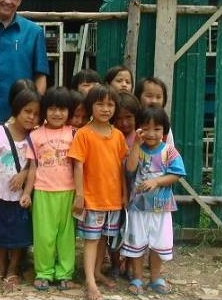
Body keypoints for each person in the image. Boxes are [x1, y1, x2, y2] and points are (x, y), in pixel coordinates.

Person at [68, 84, 128, 300]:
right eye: (100, 104)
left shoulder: (119, 135)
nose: (105, 109)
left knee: (104, 238)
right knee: (91, 240)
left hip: (112, 198)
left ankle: (97, 272)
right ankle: (90, 281)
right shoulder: (83, 134)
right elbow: (78, 165)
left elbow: (121, 167)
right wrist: (80, 195)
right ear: (90, 106)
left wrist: (124, 193)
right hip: (92, 198)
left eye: (110, 104)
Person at [120, 107, 186, 295]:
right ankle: (137, 278)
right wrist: (135, 145)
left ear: (164, 131)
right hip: (138, 207)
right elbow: (130, 170)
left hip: (161, 206)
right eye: (146, 128)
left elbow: (177, 174)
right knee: (137, 243)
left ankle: (156, 278)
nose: (151, 133)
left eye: (157, 129)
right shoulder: (136, 149)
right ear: (138, 129)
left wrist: (156, 181)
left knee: (158, 243)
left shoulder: (169, 151)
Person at [0, 89, 40, 290]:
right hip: (0, 193)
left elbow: (34, 165)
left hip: (19, 196)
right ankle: (0, 267)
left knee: (18, 234)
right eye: (27, 111)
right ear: (17, 110)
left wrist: (26, 186)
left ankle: (13, 269)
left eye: (36, 113)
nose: (31, 116)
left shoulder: (35, 137)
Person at [24, 86, 76, 291]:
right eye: (52, 108)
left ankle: (64, 273)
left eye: (62, 109)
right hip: (43, 191)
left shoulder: (74, 134)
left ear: (69, 112)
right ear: (45, 110)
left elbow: (80, 167)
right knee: (44, 235)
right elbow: (32, 167)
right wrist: (27, 193)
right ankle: (44, 273)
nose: (57, 113)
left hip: (68, 191)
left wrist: (81, 194)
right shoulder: (36, 136)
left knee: (66, 236)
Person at [109, 92, 141, 280]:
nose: (124, 123)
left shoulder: (139, 137)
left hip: (136, 191)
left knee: (132, 230)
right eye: (119, 118)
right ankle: (114, 263)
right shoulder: (111, 135)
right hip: (114, 189)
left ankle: (129, 264)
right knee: (113, 230)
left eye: (128, 117)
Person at [134, 76, 174, 146]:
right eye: (149, 96)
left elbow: (170, 151)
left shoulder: (163, 124)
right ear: (138, 97)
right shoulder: (132, 120)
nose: (154, 101)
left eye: (158, 97)